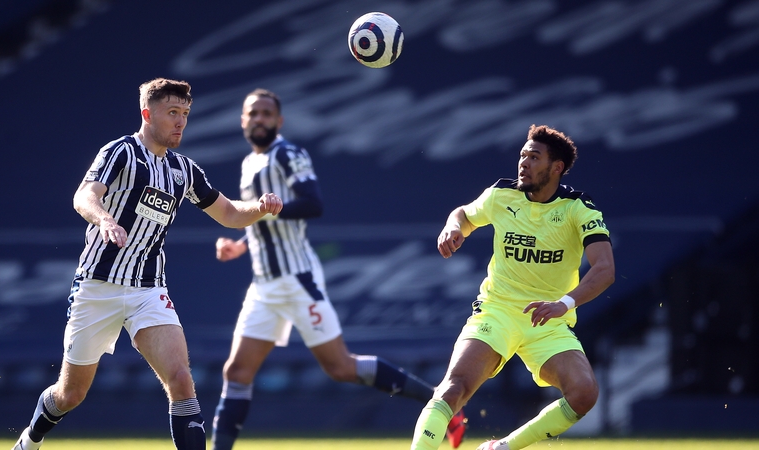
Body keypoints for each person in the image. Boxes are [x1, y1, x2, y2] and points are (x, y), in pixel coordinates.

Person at [11, 78, 283, 450]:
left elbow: (231, 214)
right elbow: (84, 196)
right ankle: (30, 439)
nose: (180, 122)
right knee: (70, 395)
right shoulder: (121, 152)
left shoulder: (184, 170)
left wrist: (261, 208)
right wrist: (104, 219)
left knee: (181, 380)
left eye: (185, 114)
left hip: (148, 290)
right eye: (172, 113)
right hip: (97, 287)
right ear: (146, 113)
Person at [210, 88, 468, 450]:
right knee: (236, 372)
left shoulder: (287, 153)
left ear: (279, 121)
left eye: (267, 114)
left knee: (341, 368)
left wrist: (272, 210)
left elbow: (312, 204)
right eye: (253, 113)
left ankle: (445, 410)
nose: (259, 119)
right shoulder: (249, 163)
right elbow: (267, 221)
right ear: (242, 121)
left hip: (297, 280)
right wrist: (240, 244)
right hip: (264, 285)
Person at [409, 124, 615, 450]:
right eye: (522, 155)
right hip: (498, 310)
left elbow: (605, 270)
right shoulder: (501, 195)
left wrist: (564, 304)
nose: (523, 163)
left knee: (584, 393)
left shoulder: (579, 209)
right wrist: (453, 227)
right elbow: (464, 213)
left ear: (557, 167)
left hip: (548, 319)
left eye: (534, 157)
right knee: (453, 388)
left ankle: (501, 448)